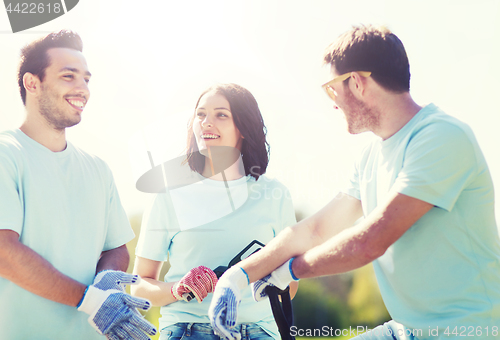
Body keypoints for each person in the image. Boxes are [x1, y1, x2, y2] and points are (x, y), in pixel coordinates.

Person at [208, 25, 500, 340]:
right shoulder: (371, 158)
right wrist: (236, 278)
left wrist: (290, 270)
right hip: (407, 330)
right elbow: (315, 230)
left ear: (357, 83)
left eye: (331, 88)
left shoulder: (440, 137)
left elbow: (369, 241)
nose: (332, 102)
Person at [0, 30, 157, 339]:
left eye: (86, 79)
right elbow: (4, 252)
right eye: (68, 76)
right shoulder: (7, 155)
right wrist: (90, 300)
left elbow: (116, 247)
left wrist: (107, 282)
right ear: (33, 83)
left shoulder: (98, 169)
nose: (82, 89)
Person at [131, 83, 298, 340]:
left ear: (243, 127)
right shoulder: (169, 194)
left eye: (221, 114)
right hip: (187, 330)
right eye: (200, 114)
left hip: (258, 332)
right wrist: (178, 288)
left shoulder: (274, 194)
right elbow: (139, 286)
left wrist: (247, 276)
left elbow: (292, 285)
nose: (206, 122)